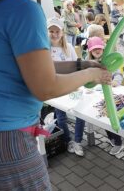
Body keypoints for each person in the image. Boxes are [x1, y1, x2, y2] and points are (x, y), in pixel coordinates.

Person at [0, 0, 112, 190]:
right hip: (7, 139)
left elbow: (36, 68)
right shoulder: (23, 8)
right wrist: (92, 73)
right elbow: (46, 87)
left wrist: (81, 63)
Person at [47, 18, 86, 157]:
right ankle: (68, 140)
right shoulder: (45, 49)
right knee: (61, 116)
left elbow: (76, 65)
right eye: (51, 31)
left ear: (62, 32)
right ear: (47, 32)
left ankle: (77, 141)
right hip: (56, 88)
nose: (54, 34)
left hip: (71, 86)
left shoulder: (68, 47)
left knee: (80, 112)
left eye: (57, 31)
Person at [87, 37, 124, 155]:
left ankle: (118, 142)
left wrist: (116, 82)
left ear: (103, 49)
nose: (97, 51)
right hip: (97, 96)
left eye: (99, 48)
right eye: (94, 50)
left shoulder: (109, 60)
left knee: (111, 117)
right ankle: (112, 138)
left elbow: (118, 74)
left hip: (111, 95)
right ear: (90, 52)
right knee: (103, 118)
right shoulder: (89, 63)